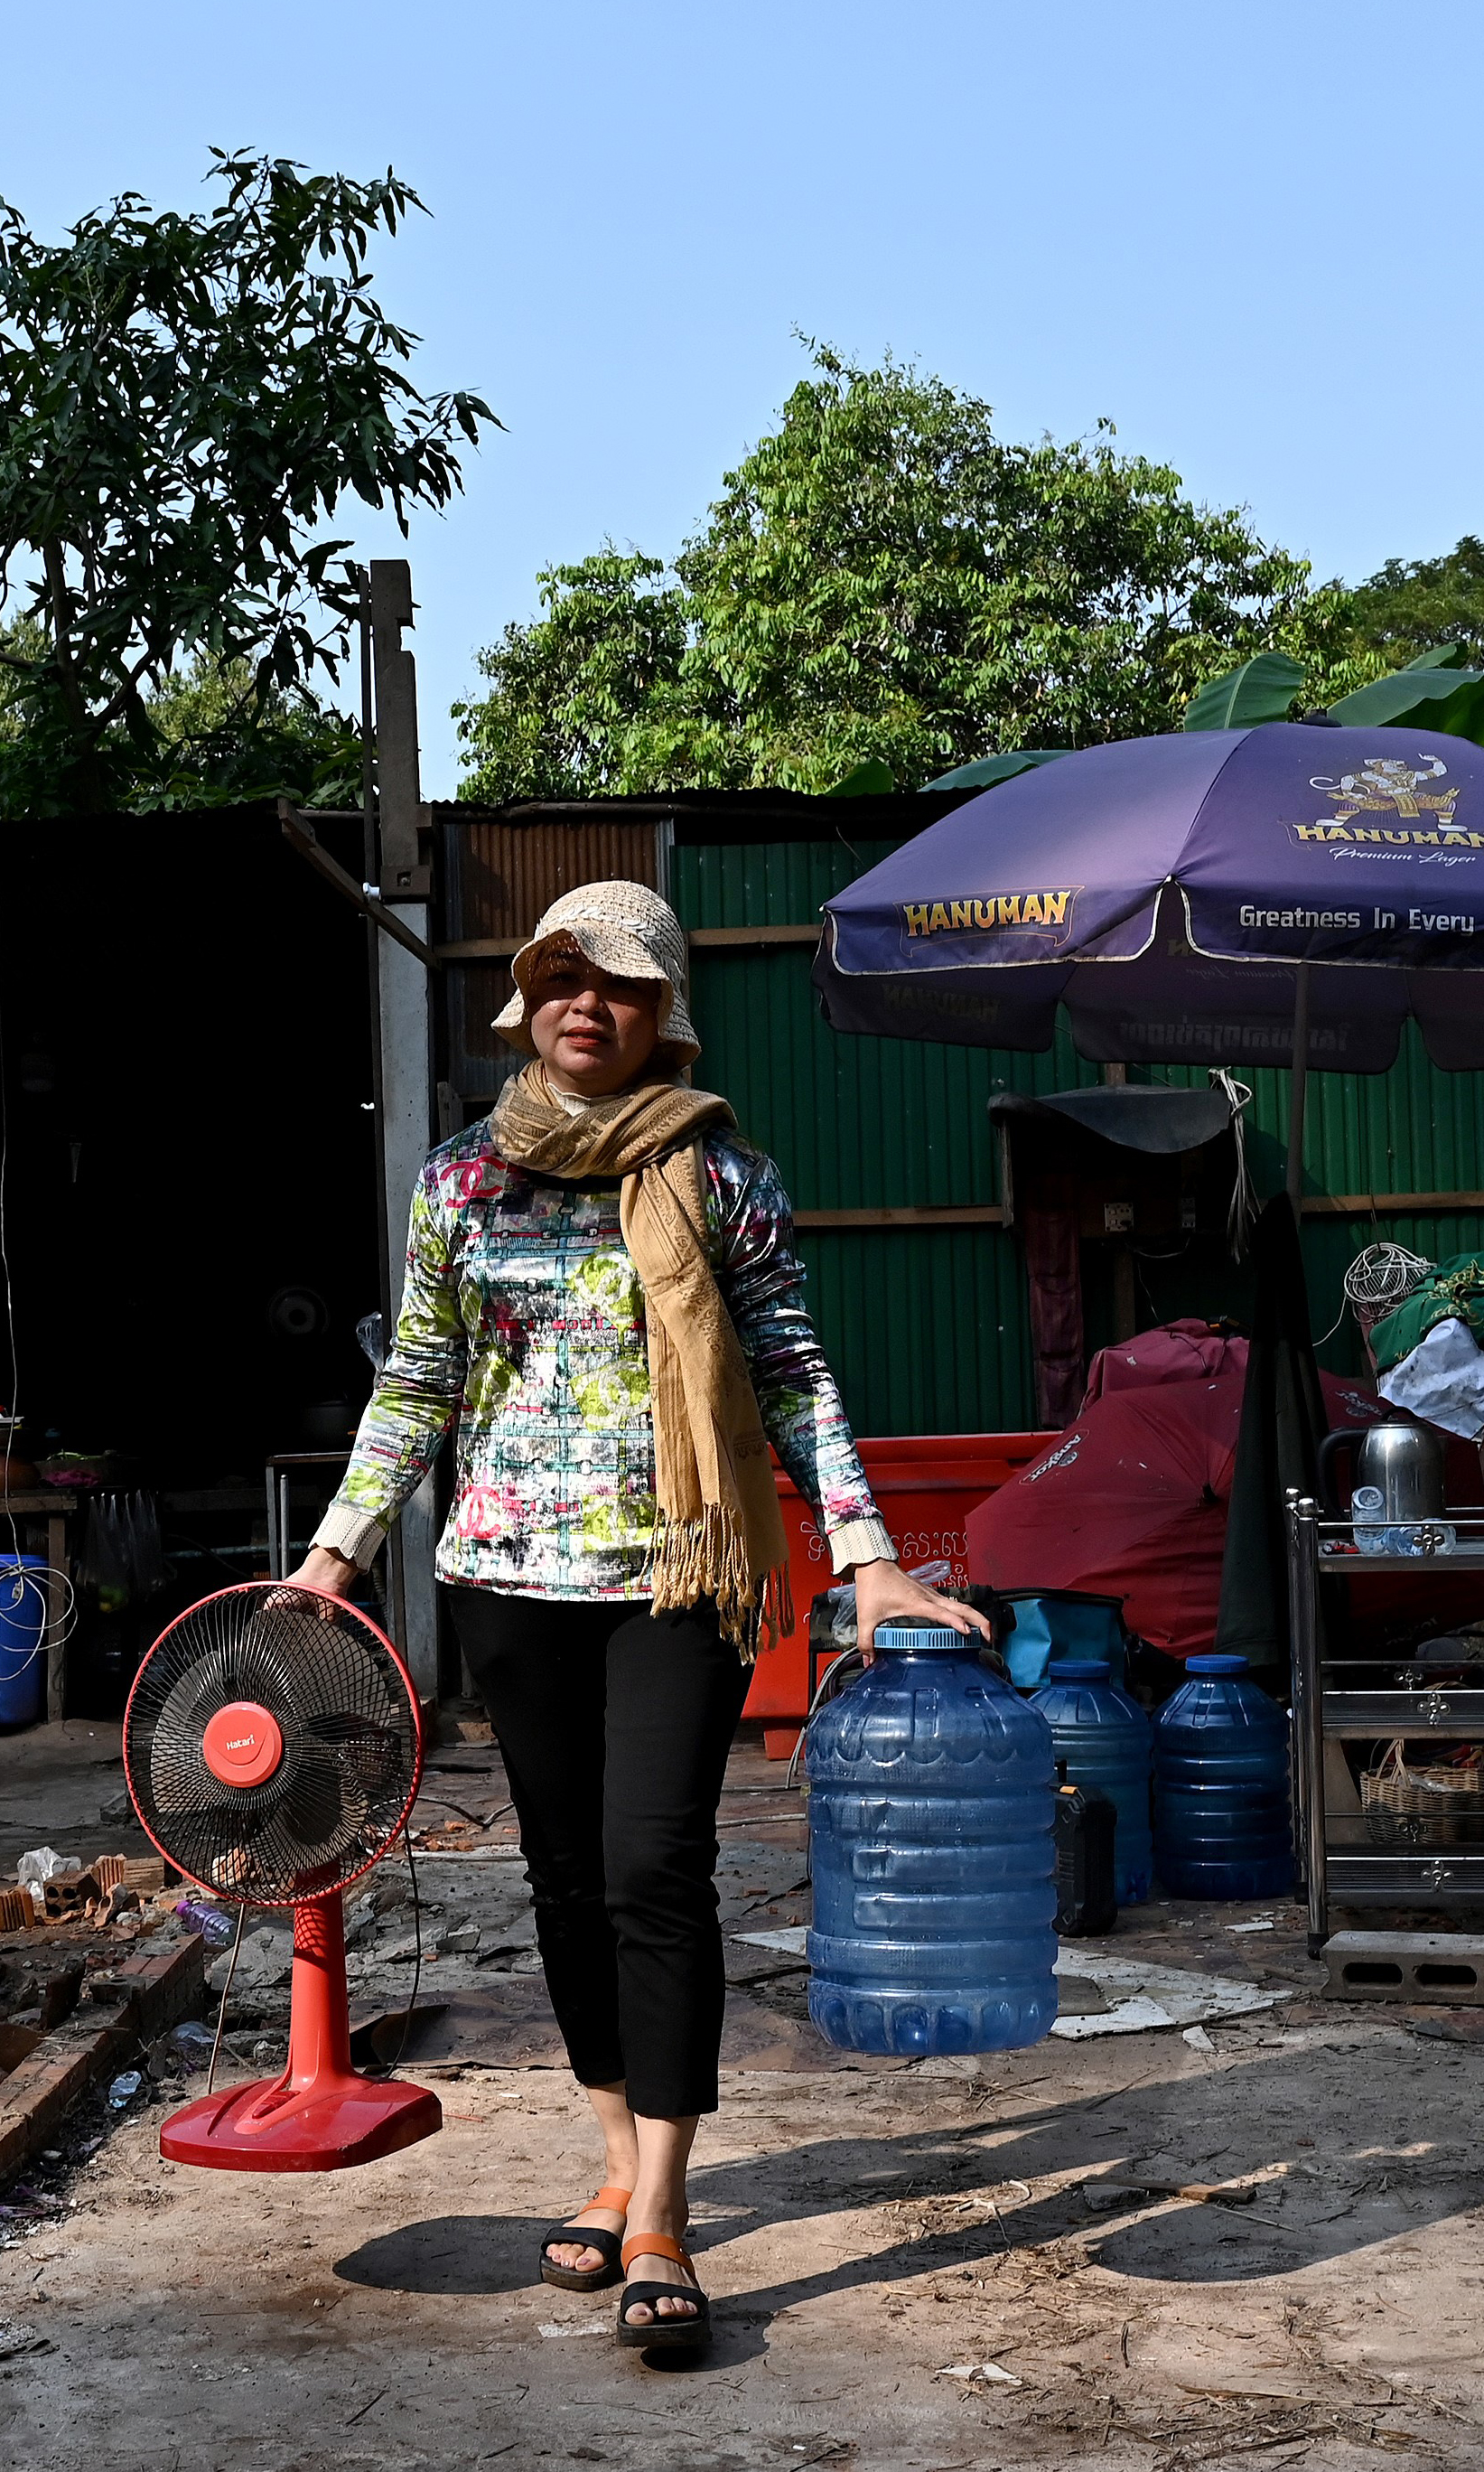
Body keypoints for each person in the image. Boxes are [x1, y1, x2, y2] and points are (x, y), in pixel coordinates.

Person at [291, 878, 984, 2355]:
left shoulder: (721, 1174)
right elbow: (417, 1379)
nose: (581, 1004)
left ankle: (662, 2210)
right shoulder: (461, 1182)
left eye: (614, 983)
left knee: (652, 1866)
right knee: (560, 1880)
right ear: (525, 1001)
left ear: (661, 1009)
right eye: (557, 978)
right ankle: (612, 2156)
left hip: (685, 1574)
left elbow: (791, 1370)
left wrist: (863, 1554)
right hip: (506, 1578)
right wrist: (335, 1556)